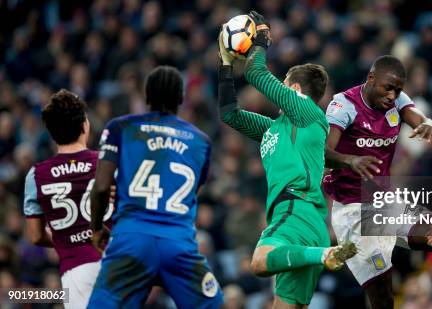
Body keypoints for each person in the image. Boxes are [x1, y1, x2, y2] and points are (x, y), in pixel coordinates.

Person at [218, 11, 357, 308]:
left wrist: (263, 38)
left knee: (258, 262)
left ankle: (324, 254)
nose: (279, 87)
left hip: (294, 210)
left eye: (283, 82)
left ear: (293, 89)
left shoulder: (307, 113)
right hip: (309, 222)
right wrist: (226, 65)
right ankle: (323, 253)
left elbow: (255, 73)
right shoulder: (274, 128)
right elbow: (229, 113)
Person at [87, 66, 223, 308]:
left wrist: (96, 229)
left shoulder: (120, 127)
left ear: (146, 96)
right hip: (179, 244)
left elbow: (100, 188)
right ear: (181, 98)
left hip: (131, 240)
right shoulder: (201, 141)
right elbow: (193, 194)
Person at [322, 55, 432, 308]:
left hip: (385, 203)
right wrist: (349, 160)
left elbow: (418, 117)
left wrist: (428, 124)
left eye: (398, 89)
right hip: (352, 211)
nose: (392, 95)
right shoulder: (344, 104)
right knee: (383, 299)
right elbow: (323, 151)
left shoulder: (398, 101)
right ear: (371, 78)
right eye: (388, 87)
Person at [23, 89, 114, 309]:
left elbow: (35, 236)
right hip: (117, 263)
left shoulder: (36, 176)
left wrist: (67, 239)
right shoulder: (109, 163)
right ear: (85, 126)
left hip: (77, 272)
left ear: (52, 134)